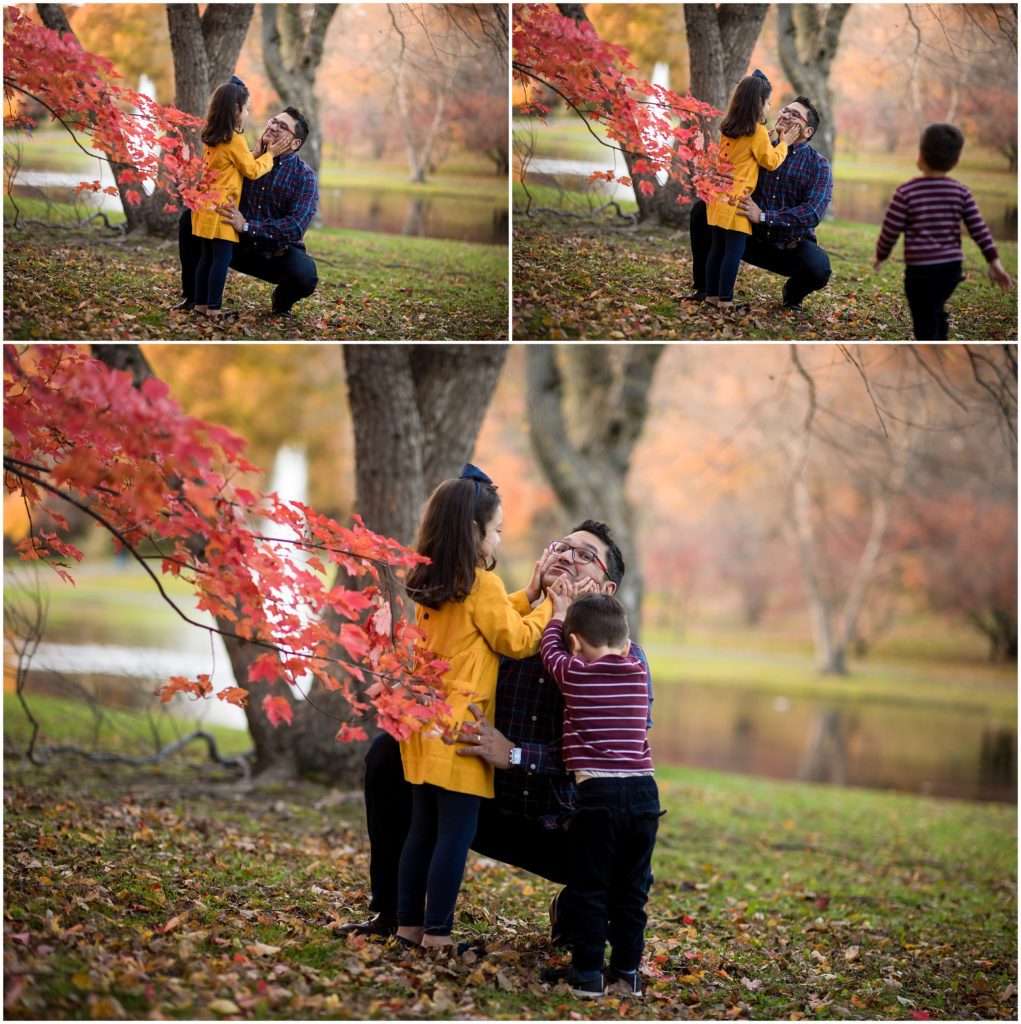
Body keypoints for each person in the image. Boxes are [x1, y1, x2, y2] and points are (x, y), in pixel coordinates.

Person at [342, 519, 648, 953]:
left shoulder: (622, 663)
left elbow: (614, 755)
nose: (566, 556)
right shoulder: (504, 627)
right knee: (388, 753)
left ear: (606, 590)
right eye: (561, 546)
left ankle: (577, 909)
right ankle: (393, 914)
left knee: (626, 844)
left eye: (584, 555)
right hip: (481, 801)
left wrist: (519, 754)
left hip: (562, 823)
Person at [393, 463, 553, 951]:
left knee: (421, 831)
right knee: (454, 837)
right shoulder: (478, 586)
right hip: (462, 730)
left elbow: (487, 618)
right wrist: (553, 610)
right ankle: (439, 936)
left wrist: (529, 593)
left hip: (422, 727)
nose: (499, 541)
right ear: (473, 530)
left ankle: (408, 929)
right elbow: (516, 639)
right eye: (497, 531)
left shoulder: (434, 580)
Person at [539, 592, 659, 999]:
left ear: (575, 644)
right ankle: (627, 975)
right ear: (627, 647)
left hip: (598, 794)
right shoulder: (639, 672)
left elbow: (548, 650)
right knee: (631, 889)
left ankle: (588, 974)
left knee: (590, 886)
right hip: (644, 793)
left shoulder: (574, 672)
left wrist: (557, 615)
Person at [687, 97, 833, 313]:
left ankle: (792, 296)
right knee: (702, 210)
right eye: (785, 110)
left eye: (795, 115)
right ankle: (705, 288)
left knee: (818, 268)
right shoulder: (760, 146)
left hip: (787, 246)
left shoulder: (818, 165)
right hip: (747, 237)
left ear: (808, 132)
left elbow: (813, 212)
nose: (785, 115)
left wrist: (764, 216)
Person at [173, 105, 319, 319]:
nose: (274, 127)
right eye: (273, 121)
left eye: (283, 127)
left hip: (274, 253)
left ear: (295, 143)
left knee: (305, 275)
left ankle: (281, 303)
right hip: (234, 244)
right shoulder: (247, 159)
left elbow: (296, 226)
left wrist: (248, 225)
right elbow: (215, 180)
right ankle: (194, 296)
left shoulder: (304, 177)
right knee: (190, 218)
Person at [873, 122, 1013, 340]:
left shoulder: (906, 192)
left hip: (919, 272)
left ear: (920, 155)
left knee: (924, 320)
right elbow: (979, 229)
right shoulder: (961, 192)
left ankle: (933, 339)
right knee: (934, 306)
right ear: (955, 161)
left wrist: (881, 256)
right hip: (950, 270)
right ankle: (940, 326)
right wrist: (994, 262)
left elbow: (890, 231)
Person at [188, 77, 292, 319]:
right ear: (235, 109)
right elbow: (252, 171)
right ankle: (214, 309)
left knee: (206, 258)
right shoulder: (234, 139)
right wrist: (272, 154)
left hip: (204, 207)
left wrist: (257, 149)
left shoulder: (214, 135)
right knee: (221, 261)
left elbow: (236, 162)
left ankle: (200, 306)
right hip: (222, 211)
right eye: (246, 109)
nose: (247, 113)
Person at [705, 70, 799, 317]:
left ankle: (711, 295)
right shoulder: (756, 133)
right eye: (768, 103)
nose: (770, 108)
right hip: (736, 202)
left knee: (717, 248)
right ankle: (725, 301)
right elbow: (770, 161)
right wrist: (785, 143)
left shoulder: (730, 127)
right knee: (733, 252)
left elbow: (746, 150)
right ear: (759, 103)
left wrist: (768, 137)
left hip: (718, 197)